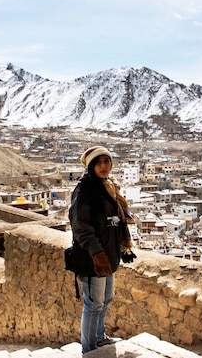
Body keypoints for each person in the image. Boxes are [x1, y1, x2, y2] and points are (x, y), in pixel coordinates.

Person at [69, 146, 136, 354]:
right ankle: (89, 349)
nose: (103, 166)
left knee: (105, 299)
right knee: (93, 304)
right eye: (98, 163)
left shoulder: (108, 188)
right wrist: (97, 253)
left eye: (106, 161)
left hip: (109, 256)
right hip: (93, 258)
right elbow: (81, 227)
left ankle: (99, 337)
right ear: (90, 166)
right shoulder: (85, 191)